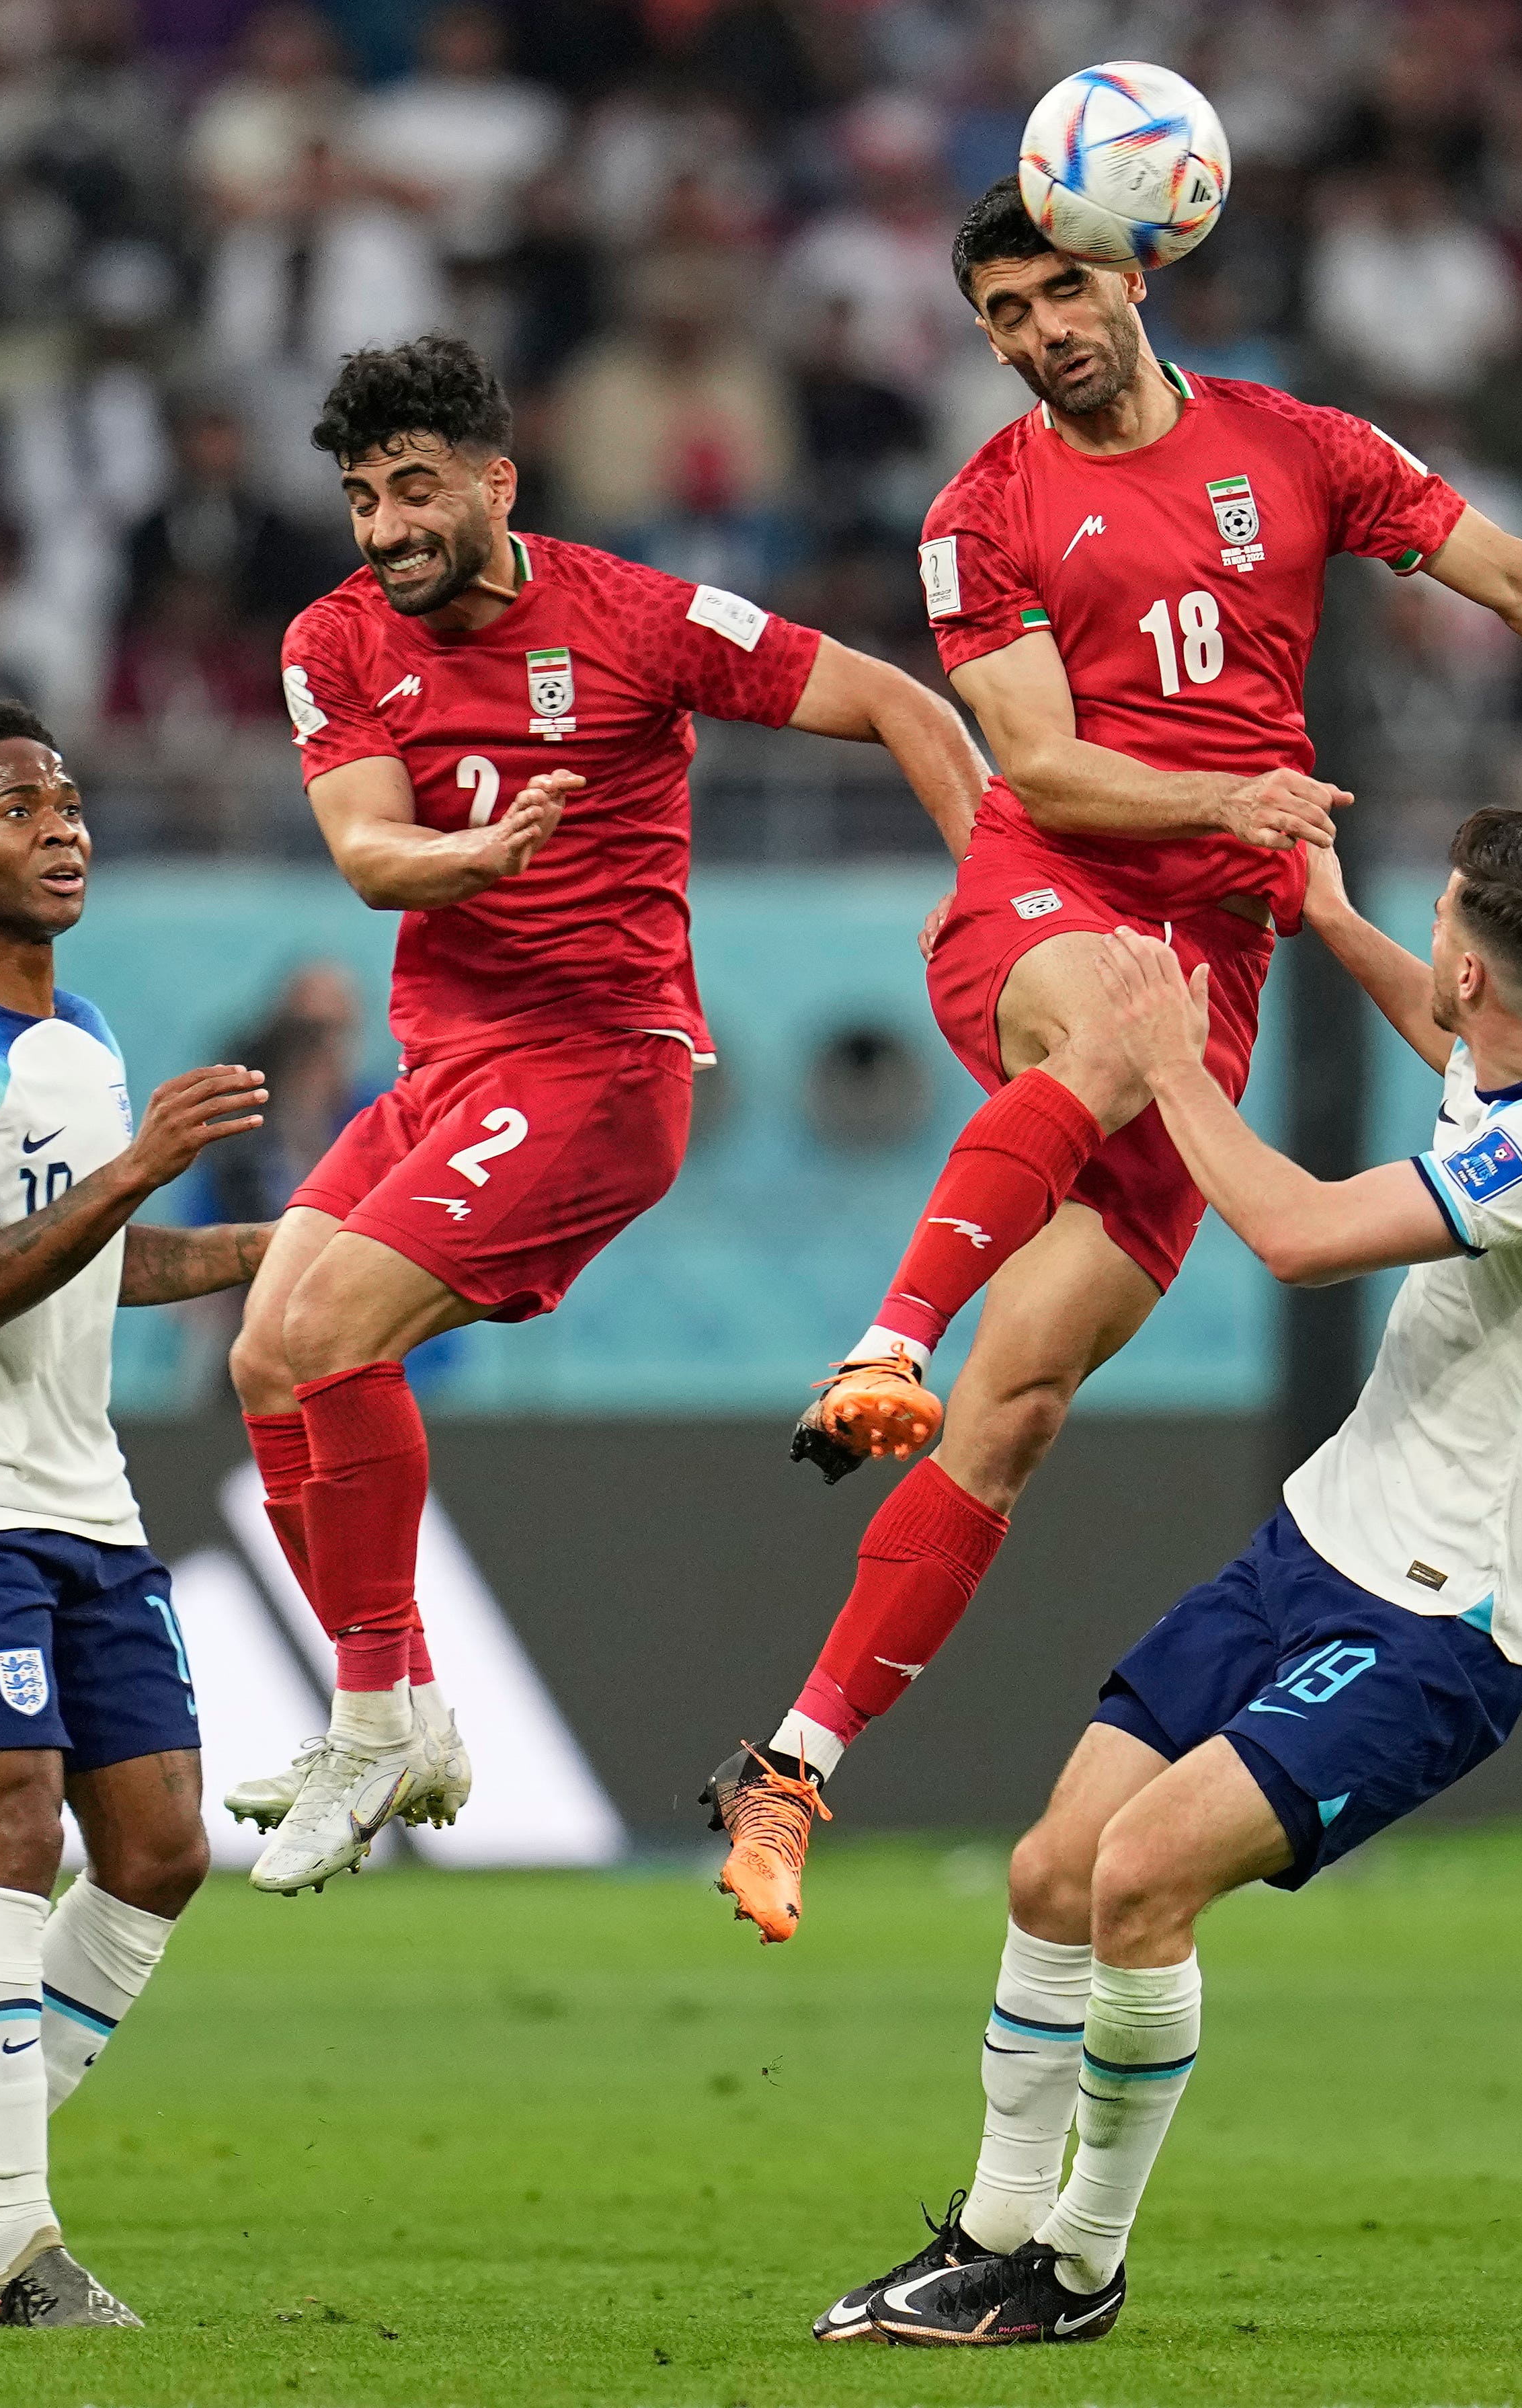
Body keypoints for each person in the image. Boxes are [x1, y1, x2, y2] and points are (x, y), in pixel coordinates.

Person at [700, 178, 1522, 1943]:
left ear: (1133, 267)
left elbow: (1520, 580)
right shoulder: (976, 513)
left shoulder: (1294, 449)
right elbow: (1042, 772)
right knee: (1100, 1059)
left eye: (1058, 290)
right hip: (1049, 904)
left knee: (1019, 1411)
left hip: (1210, 962)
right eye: (1000, 316)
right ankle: (885, 1333)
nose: (1038, 335)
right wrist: (1229, 798)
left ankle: (792, 1763)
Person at [816, 812, 1522, 2346]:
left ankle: (1076, 2265)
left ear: (1478, 964)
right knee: (1050, 1871)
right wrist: (1332, 915)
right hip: (1306, 1550)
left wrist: (1167, 1058)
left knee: (1138, 1880)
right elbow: (1444, 1027)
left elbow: (1295, 1232)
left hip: (1431, 1627)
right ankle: (991, 2229)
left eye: (1439, 927)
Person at [223, 333, 993, 1896]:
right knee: (263, 1350)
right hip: (444, 1070)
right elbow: (372, 853)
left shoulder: (639, 617)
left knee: (334, 1335)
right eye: (365, 496)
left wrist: (1007, 898)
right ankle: (410, 1706)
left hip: (595, 1064)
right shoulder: (334, 637)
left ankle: (368, 1715)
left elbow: (902, 705)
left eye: (417, 488)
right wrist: (480, 857)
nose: (388, 527)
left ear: (496, 482)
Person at [0, 701, 275, 2327]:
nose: (62, 822)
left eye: (71, 798)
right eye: (19, 803)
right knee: (14, 1823)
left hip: (81, 1488)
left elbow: (92, 1261)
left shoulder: (78, 1041)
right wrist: (144, 1167)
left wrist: (281, 1240)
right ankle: (16, 2240)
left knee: (160, 1846)